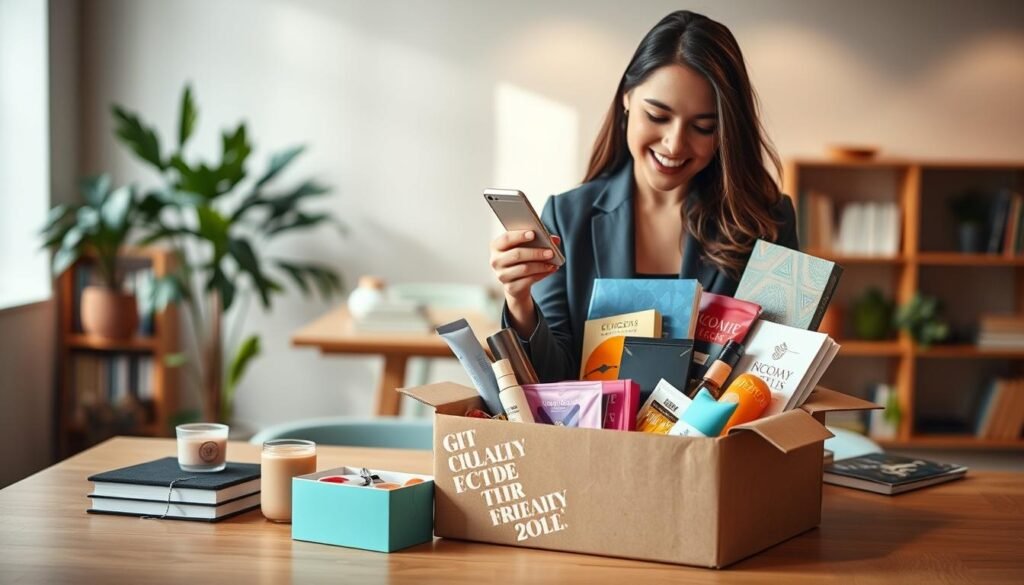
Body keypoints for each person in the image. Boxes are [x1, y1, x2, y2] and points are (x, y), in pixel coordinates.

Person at [489, 10, 799, 383]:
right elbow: (554, 380)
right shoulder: (568, 217)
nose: (674, 143)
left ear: (726, 132)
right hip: (596, 440)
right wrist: (519, 300)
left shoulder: (765, 220)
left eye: (703, 127)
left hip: (714, 441)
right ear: (627, 99)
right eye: (657, 116)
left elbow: (780, 372)